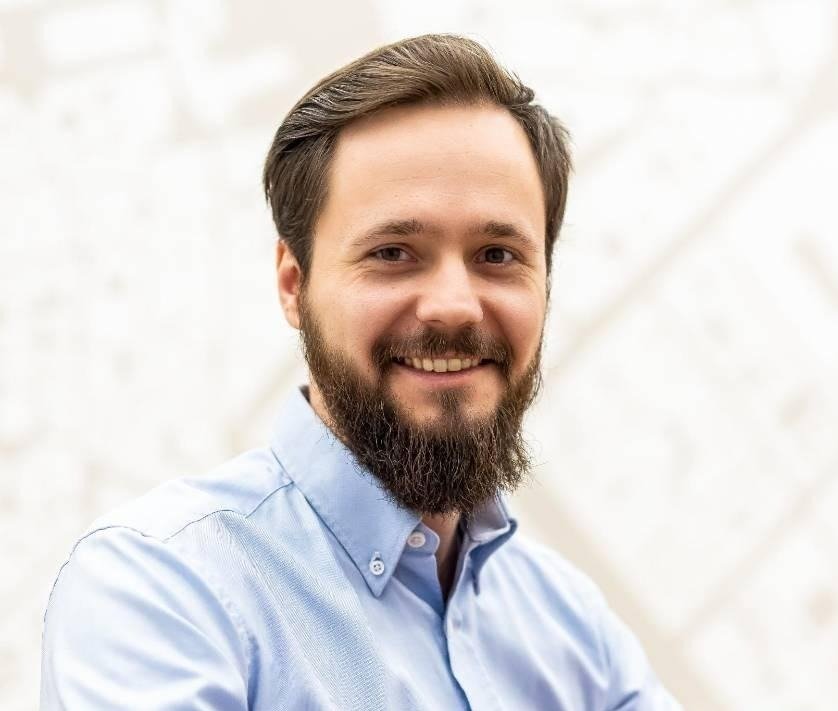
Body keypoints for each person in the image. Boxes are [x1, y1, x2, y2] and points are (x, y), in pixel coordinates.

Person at [40, 34, 680, 710]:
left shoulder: (574, 631)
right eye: (393, 252)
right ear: (294, 284)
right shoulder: (164, 590)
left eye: (497, 254)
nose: (454, 306)